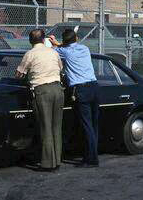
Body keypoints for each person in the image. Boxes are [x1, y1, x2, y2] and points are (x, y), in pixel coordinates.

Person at [49, 29, 100, 168]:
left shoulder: (63, 52)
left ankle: (91, 159)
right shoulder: (84, 48)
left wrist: (53, 43)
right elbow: (65, 46)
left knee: (86, 126)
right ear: (76, 38)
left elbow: (54, 50)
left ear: (64, 41)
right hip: (94, 87)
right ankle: (92, 154)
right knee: (93, 125)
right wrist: (59, 43)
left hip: (80, 89)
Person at [16, 28, 64, 172]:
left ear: (30, 41)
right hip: (58, 89)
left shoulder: (30, 54)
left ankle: (48, 162)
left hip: (42, 91)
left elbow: (19, 74)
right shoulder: (54, 52)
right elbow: (61, 69)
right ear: (44, 40)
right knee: (56, 126)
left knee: (45, 126)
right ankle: (57, 159)